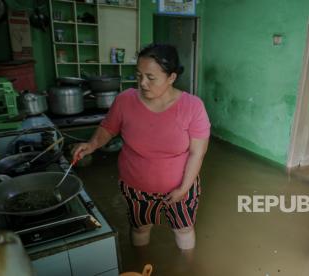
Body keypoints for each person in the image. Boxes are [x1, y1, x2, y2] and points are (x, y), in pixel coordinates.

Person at [73, 44, 210, 250]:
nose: (143, 83)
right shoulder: (125, 100)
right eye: (139, 75)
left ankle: (187, 268)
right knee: (140, 228)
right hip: (136, 186)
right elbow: (108, 128)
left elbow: (197, 153)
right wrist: (92, 144)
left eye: (151, 77)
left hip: (182, 186)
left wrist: (183, 189)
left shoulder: (192, 106)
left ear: (171, 77)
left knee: (183, 229)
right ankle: (141, 264)